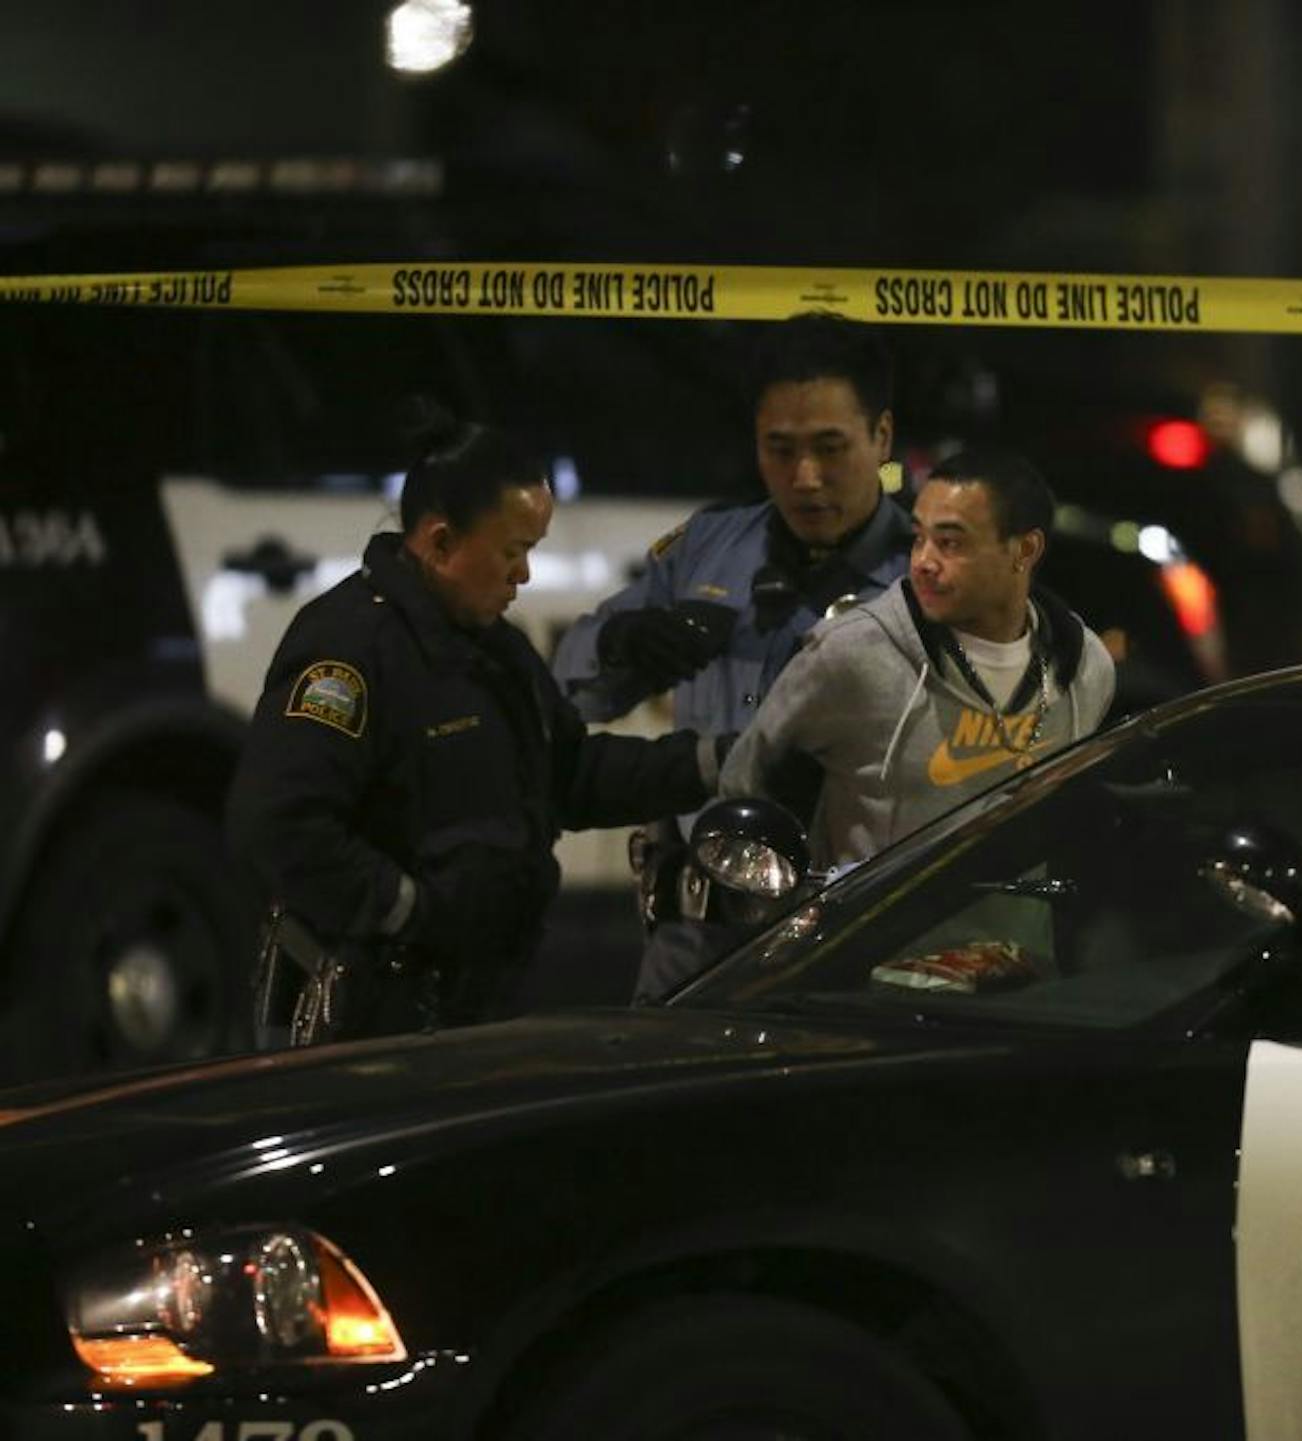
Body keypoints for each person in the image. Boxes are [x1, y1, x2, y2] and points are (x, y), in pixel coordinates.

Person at [228, 409, 725, 1045]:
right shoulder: (351, 649)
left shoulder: (495, 650)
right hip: (372, 1026)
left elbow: (567, 774)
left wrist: (713, 764)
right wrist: (407, 908)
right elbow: (276, 823)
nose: (524, 574)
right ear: (439, 544)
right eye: (513, 552)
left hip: (475, 1010)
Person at [551, 311, 914, 999]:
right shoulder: (709, 547)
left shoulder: (927, 572)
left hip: (860, 940)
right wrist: (621, 644)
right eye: (780, 449)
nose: (806, 477)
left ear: (882, 437)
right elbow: (574, 686)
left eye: (831, 447)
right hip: (697, 944)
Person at [717, 446, 1116, 874]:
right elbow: (746, 785)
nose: (923, 562)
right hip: (874, 941)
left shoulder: (1085, 669)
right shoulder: (851, 654)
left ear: (1024, 550)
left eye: (950, 543)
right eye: (919, 538)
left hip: (1022, 942)